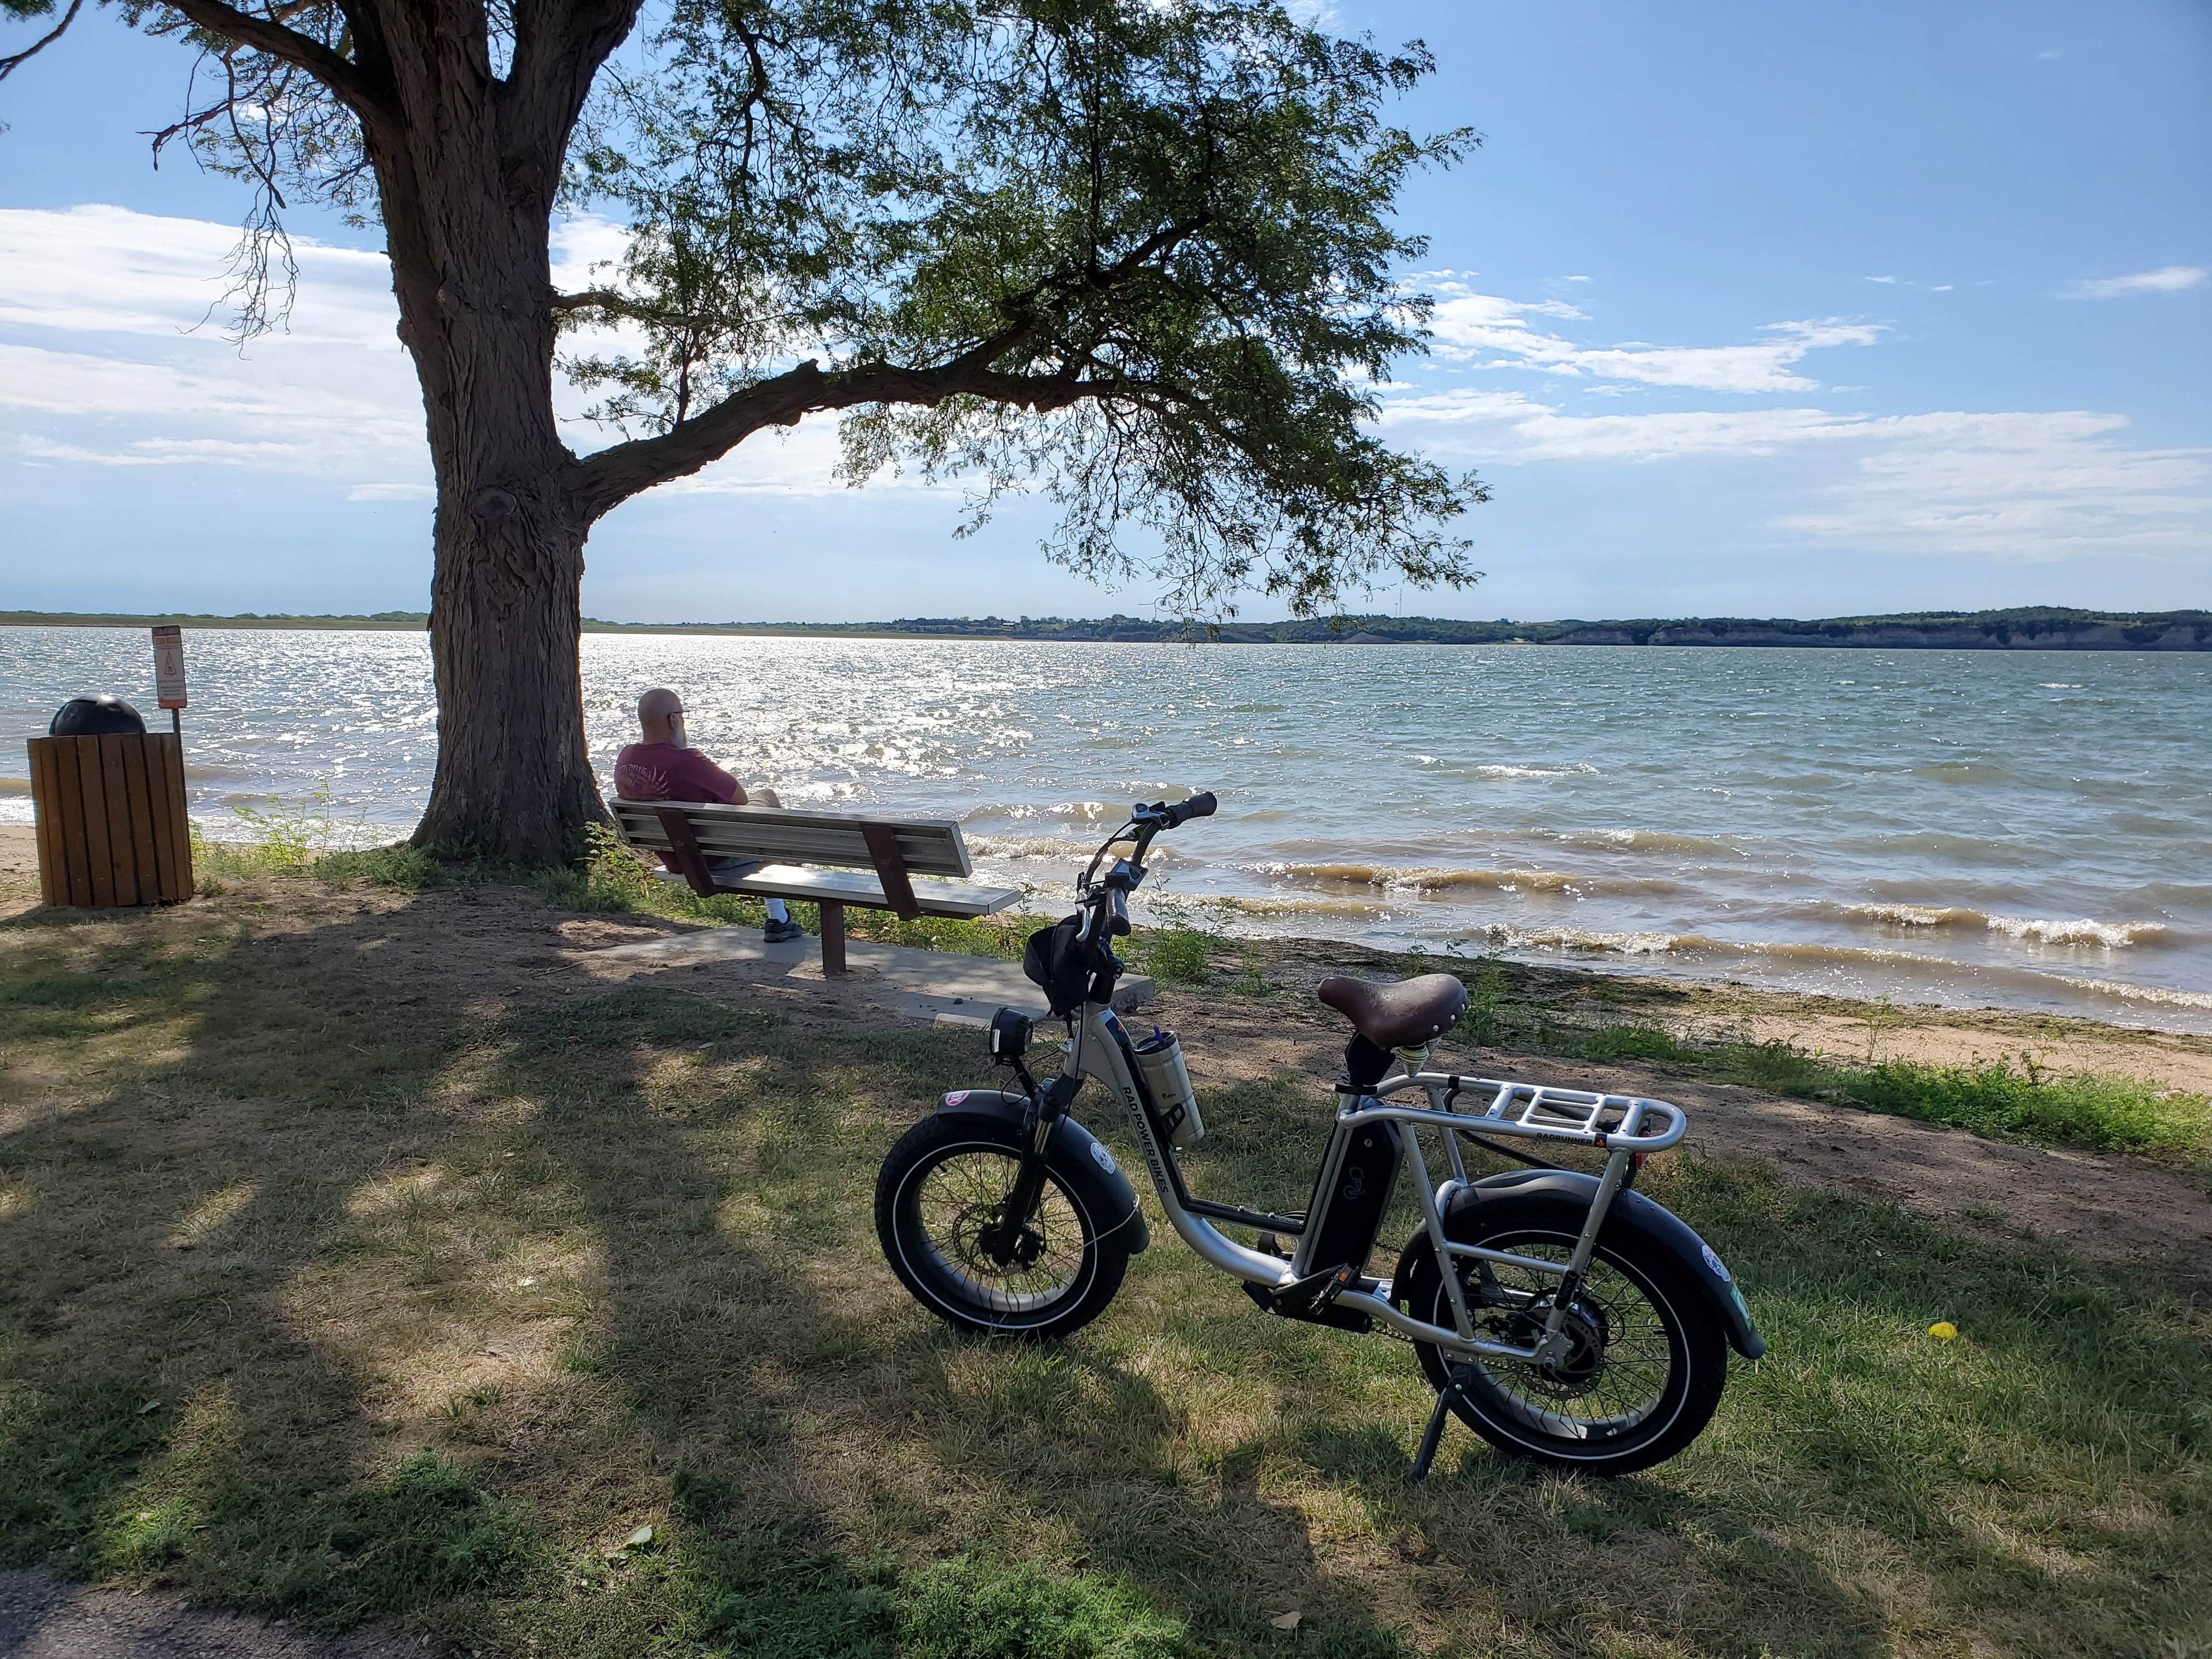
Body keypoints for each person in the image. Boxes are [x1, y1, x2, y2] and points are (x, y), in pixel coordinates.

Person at [614, 687, 803, 944]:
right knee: (767, 797)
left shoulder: (626, 759)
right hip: (713, 859)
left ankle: (780, 917)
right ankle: (786, 876)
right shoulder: (687, 761)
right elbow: (740, 798)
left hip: (675, 858)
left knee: (762, 832)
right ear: (674, 720)